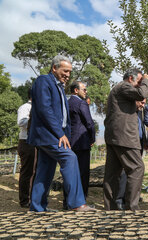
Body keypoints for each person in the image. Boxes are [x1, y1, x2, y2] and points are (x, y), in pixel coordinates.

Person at [28, 55, 94, 212]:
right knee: (70, 158)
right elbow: (45, 109)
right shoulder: (44, 81)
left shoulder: (60, 87)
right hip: (48, 134)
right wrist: (60, 134)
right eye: (65, 71)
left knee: (45, 169)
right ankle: (77, 203)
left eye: (70, 72)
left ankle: (37, 207)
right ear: (54, 68)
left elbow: (63, 116)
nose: (68, 75)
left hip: (55, 135)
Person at [103, 68, 148, 211]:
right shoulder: (124, 86)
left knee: (113, 173)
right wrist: (147, 80)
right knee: (137, 168)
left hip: (115, 136)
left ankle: (110, 208)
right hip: (124, 136)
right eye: (139, 81)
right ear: (131, 78)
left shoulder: (118, 89)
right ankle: (132, 207)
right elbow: (142, 93)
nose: (140, 84)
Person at [63, 81, 95, 209]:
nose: (86, 92)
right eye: (84, 89)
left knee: (69, 172)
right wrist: (91, 138)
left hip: (68, 141)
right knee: (82, 173)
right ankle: (80, 202)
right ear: (76, 90)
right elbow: (89, 123)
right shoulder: (81, 103)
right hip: (81, 143)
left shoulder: (67, 102)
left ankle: (67, 202)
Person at [115, 99, 147, 210]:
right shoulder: (128, 112)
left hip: (139, 144)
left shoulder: (139, 112)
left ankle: (132, 197)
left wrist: (145, 141)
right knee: (125, 171)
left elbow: (141, 128)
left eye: (144, 103)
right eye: (141, 102)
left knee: (136, 172)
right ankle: (120, 199)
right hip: (129, 144)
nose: (143, 105)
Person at [17, 88, 36, 208]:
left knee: (34, 171)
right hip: (26, 142)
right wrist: (35, 119)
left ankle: (33, 198)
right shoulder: (25, 107)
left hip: (35, 142)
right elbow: (21, 122)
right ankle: (24, 200)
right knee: (27, 172)